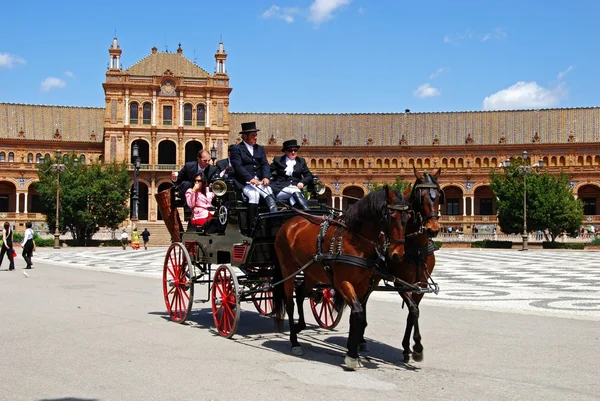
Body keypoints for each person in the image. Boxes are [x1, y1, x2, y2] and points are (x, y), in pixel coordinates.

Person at [230, 122, 278, 231]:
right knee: (254, 194)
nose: (255, 137)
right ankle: (253, 225)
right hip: (244, 183)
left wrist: (266, 177)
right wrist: (250, 178)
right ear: (245, 136)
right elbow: (238, 166)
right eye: (253, 135)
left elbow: (265, 164)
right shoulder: (236, 149)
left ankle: (273, 221)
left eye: (256, 135)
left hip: (260, 181)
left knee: (269, 190)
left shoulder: (259, 148)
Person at [269, 139, 312, 210]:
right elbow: (267, 170)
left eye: (295, 150)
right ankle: (308, 212)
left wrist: (302, 182)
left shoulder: (301, 161)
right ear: (285, 151)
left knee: (293, 199)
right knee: (294, 191)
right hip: (281, 190)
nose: (293, 152)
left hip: (295, 191)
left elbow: (308, 175)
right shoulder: (278, 160)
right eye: (290, 150)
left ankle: (296, 216)